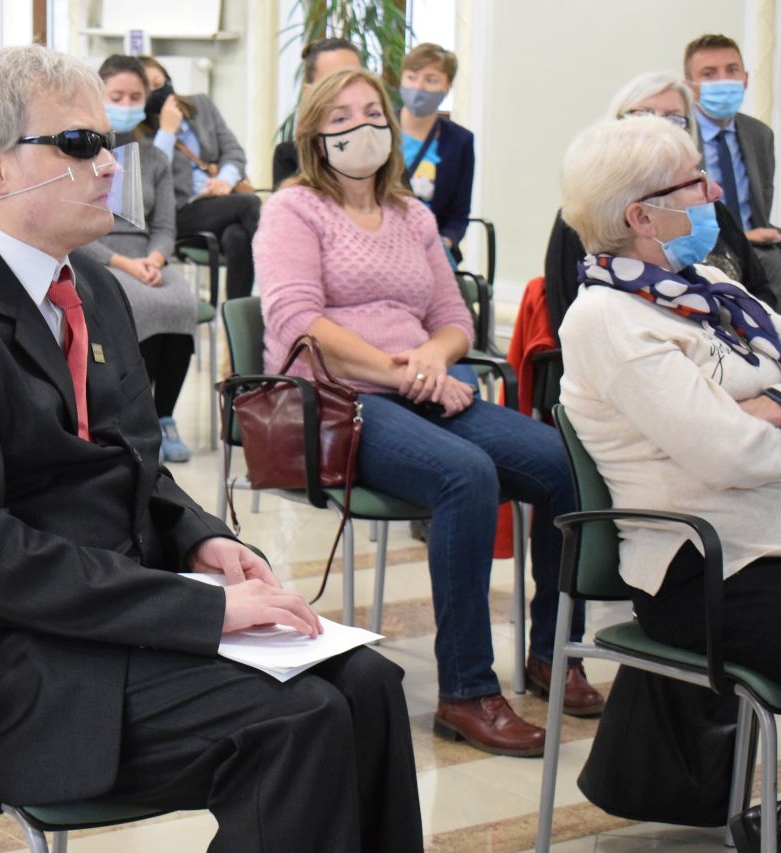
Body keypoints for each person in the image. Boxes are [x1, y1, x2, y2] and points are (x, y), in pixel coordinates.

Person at [0, 44, 423, 851]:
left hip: (95, 614)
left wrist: (201, 538)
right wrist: (202, 610)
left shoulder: (92, 287)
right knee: (300, 719)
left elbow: (136, 465)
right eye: (80, 144)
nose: (111, 164)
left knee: (369, 686)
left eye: (107, 142)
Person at [255, 68, 602, 756]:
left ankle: (555, 652)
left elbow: (453, 319)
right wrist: (401, 371)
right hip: (338, 397)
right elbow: (298, 322)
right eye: (341, 117)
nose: (362, 127)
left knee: (564, 461)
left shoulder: (412, 216)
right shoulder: (294, 210)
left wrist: (432, 361)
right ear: (316, 137)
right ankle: (467, 691)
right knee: (464, 474)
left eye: (371, 112)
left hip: (422, 383)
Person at [558, 114, 781, 849]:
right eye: (694, 180)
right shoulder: (607, 320)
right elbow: (730, 455)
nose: (713, 191)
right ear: (641, 216)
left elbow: (745, 433)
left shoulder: (707, 287)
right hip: (705, 567)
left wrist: (765, 408)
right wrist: (747, 415)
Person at [544, 71, 774, 335]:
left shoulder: (712, 225)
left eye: (674, 119)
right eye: (642, 115)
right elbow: (568, 324)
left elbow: (760, 293)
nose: (659, 127)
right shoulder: (590, 225)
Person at [78, 55, 198, 463]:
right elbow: (77, 230)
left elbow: (165, 225)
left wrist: (155, 258)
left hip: (147, 255)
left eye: (135, 97)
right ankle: (136, 415)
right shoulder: (83, 152)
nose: (126, 104)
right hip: (99, 254)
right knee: (143, 303)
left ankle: (164, 415)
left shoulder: (156, 159)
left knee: (181, 301)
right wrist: (127, 265)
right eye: (117, 96)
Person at [140, 55, 260, 302]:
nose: (157, 92)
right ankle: (281, 278)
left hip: (220, 203)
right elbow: (153, 176)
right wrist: (167, 131)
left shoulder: (201, 105)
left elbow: (233, 151)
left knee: (237, 237)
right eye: (148, 90)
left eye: (159, 83)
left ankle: (235, 317)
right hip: (179, 213)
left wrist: (224, 181)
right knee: (250, 204)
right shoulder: (140, 132)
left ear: (168, 79)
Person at [685, 33, 781, 304]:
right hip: (702, 255)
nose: (723, 80)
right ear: (690, 88)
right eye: (709, 74)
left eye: (732, 70)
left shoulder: (759, 134)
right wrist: (742, 238)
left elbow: (760, 209)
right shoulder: (677, 138)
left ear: (745, 79)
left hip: (760, 254)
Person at [398, 43, 474, 265]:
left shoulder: (460, 141)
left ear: (447, 87)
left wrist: (445, 241)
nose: (418, 87)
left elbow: (459, 215)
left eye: (431, 80)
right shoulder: (378, 128)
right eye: (411, 77)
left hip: (431, 249)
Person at [272, 37, 362, 188]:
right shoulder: (289, 157)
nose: (346, 90)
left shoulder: (381, 149)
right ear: (309, 92)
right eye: (332, 82)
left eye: (354, 80)